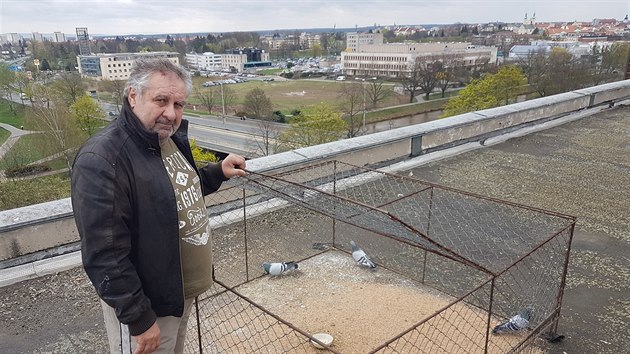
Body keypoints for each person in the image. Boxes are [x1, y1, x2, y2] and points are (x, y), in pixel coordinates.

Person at [71, 58, 246, 354]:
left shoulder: (164, 139)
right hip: (149, 306)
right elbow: (105, 254)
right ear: (133, 96)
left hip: (176, 295)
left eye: (178, 104)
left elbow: (174, 192)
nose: (171, 113)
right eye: (161, 100)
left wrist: (217, 172)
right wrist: (139, 319)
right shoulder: (103, 160)